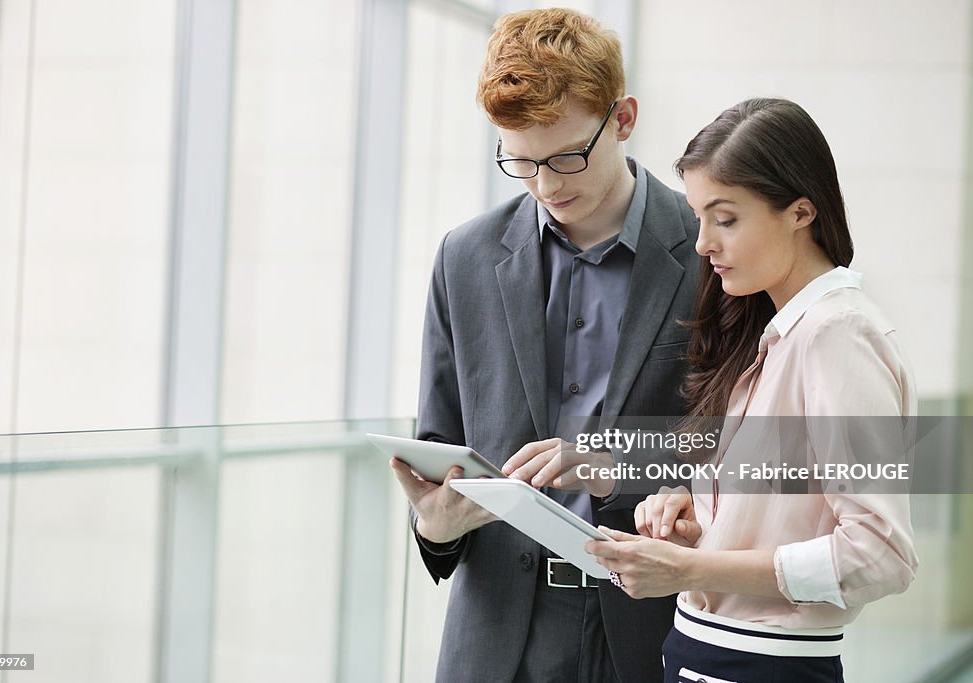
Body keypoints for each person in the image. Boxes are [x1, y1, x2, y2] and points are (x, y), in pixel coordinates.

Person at [387, 8, 700, 683]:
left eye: (566, 156)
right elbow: (442, 447)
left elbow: (759, 452)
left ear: (623, 119)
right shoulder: (464, 258)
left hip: (656, 632)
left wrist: (611, 459)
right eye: (520, 161)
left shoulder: (710, 252)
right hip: (496, 639)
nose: (548, 185)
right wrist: (435, 527)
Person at [586, 98, 919, 682]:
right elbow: (790, 514)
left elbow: (880, 555)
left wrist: (692, 571)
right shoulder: (780, 335)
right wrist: (702, 525)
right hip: (705, 653)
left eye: (726, 218)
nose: (702, 245)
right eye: (699, 218)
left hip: (763, 666)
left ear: (800, 212)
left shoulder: (836, 336)